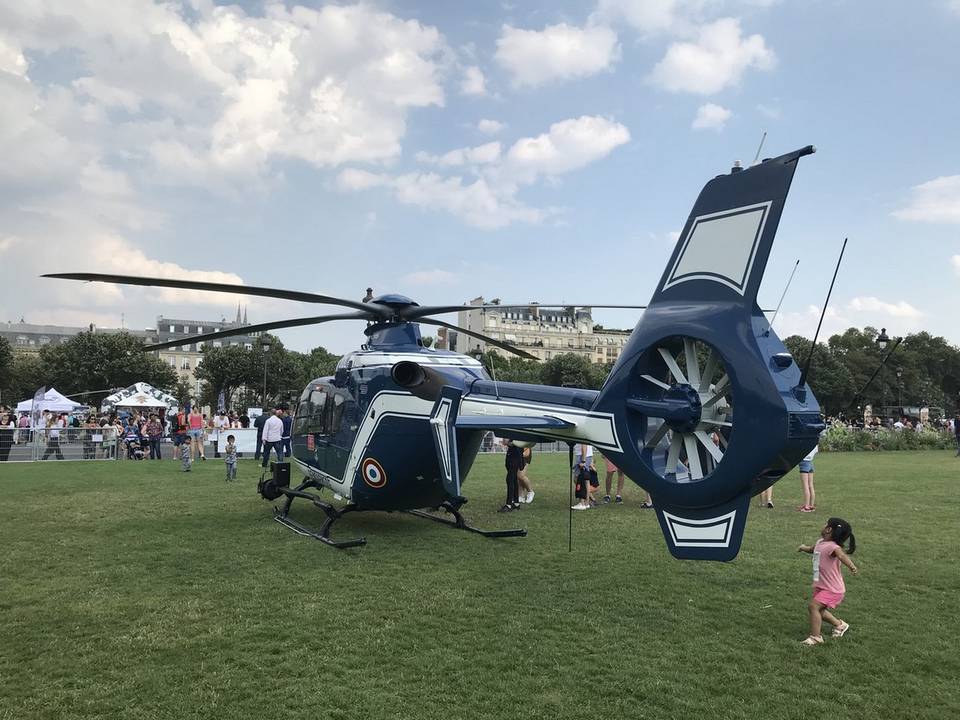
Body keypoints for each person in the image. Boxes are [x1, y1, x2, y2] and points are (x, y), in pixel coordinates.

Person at [797, 517, 858, 646]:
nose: (824, 525)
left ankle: (815, 637)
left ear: (829, 529)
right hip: (822, 585)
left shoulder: (833, 547)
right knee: (819, 610)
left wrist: (851, 566)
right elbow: (812, 549)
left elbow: (841, 555)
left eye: (826, 524)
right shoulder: (820, 542)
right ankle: (840, 625)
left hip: (833, 589)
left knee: (813, 606)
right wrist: (803, 547)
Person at [571, 443, 598, 510]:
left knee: (581, 479)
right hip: (584, 455)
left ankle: (582, 503)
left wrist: (583, 461)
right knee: (584, 479)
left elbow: (584, 444)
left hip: (582, 456)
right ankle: (587, 502)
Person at [499, 439, 523, 512]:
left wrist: (508, 442)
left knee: (510, 480)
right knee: (514, 480)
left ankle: (509, 504)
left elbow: (507, 442)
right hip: (514, 456)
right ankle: (516, 503)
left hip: (514, 457)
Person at [799, 442, 818, 512]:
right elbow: (816, 450)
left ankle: (806, 506)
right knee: (811, 485)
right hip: (810, 463)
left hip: (804, 463)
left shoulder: (805, 444)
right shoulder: (814, 445)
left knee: (805, 486)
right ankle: (811, 505)